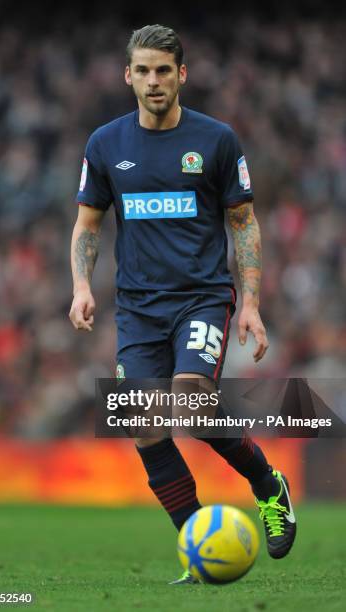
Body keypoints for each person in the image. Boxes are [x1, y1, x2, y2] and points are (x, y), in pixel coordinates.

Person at [69, 24, 296, 584]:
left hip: (201, 298)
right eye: (143, 71)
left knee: (190, 403)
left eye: (163, 71)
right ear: (128, 76)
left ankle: (268, 485)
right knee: (144, 424)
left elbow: (242, 222)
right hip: (138, 309)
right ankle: (199, 544)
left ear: (182, 75)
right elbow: (87, 224)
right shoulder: (105, 144)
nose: (153, 81)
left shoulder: (216, 140)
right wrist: (80, 286)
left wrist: (250, 302)